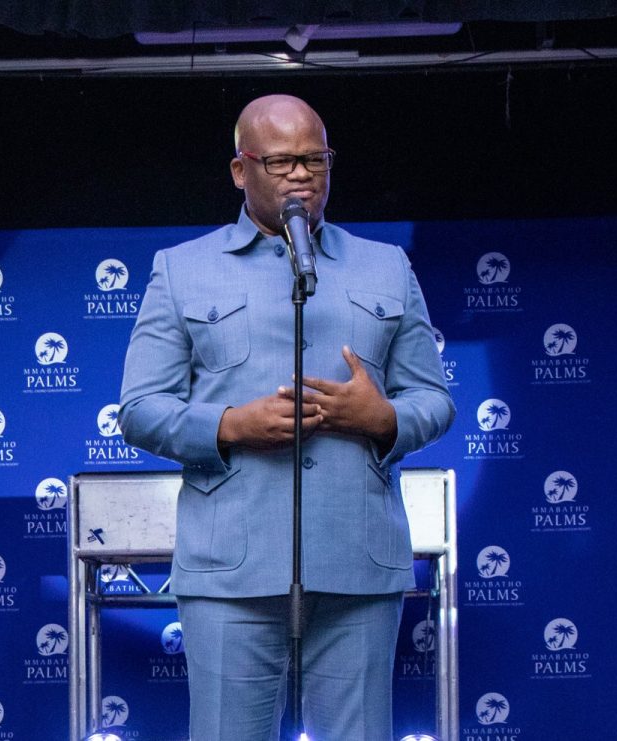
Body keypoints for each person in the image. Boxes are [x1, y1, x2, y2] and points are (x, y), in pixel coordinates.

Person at [118, 94, 455, 741]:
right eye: (281, 161)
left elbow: (432, 399)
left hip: (357, 558)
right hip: (232, 567)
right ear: (241, 170)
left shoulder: (386, 265)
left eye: (315, 160)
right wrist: (229, 425)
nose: (302, 175)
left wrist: (382, 417)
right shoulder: (181, 270)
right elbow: (139, 407)